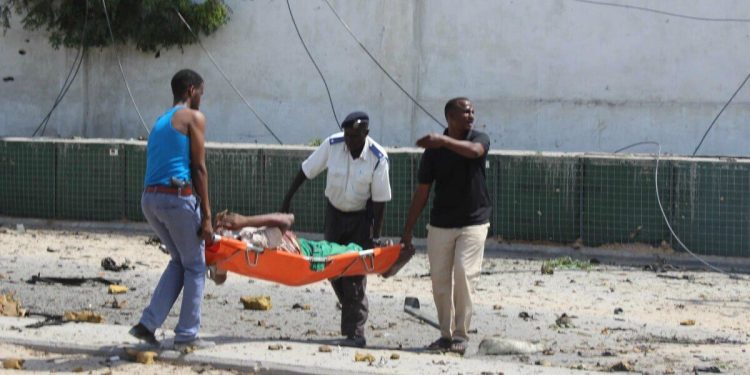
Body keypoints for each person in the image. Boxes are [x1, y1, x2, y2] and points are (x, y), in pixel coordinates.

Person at [280, 111, 391, 348]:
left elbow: (381, 201)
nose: (349, 140)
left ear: (366, 134)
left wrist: (375, 236)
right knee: (330, 267)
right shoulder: (332, 144)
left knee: (355, 274)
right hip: (335, 215)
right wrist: (286, 201)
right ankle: (354, 308)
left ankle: (355, 333)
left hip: (361, 219)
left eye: (354, 136)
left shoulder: (378, 157)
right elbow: (306, 170)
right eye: (347, 135)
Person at [129, 69, 215, 351]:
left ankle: (148, 324)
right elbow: (199, 168)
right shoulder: (193, 118)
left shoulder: (160, 121)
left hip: (150, 200)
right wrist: (207, 217)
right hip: (175, 198)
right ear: (191, 90)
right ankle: (187, 335)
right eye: (201, 92)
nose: (202, 98)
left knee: (180, 261)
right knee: (196, 265)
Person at [399, 97, 491, 355]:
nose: (471, 114)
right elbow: (422, 192)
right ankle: (445, 335)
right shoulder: (434, 151)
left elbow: (474, 152)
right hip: (441, 223)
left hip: (474, 222)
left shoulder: (479, 138)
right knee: (440, 280)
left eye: (473, 110)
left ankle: (461, 334)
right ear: (450, 116)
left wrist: (442, 141)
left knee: (463, 273)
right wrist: (408, 231)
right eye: (465, 111)